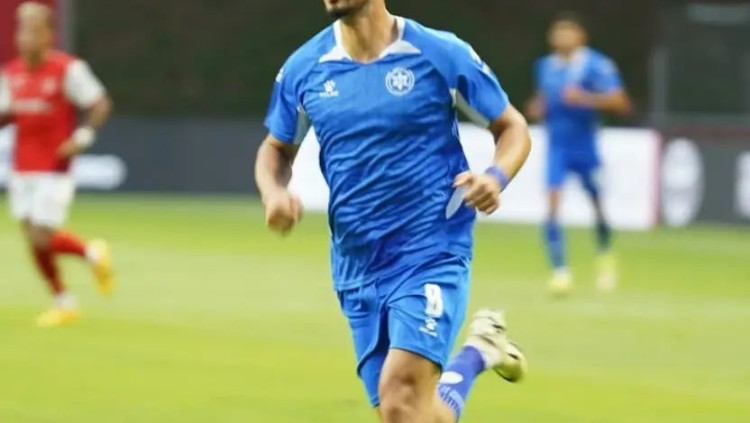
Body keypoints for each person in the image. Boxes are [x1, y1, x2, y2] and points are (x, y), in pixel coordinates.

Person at [255, 1, 532, 422]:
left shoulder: (439, 53)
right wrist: (274, 192)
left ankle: (476, 351)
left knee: (400, 395)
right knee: (406, 412)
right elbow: (276, 148)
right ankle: (478, 352)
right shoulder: (304, 68)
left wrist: (495, 177)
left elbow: (512, 127)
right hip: (357, 265)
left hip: (430, 250)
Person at [0, 2, 115, 327]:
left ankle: (92, 252)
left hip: (54, 167)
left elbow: (100, 104)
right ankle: (64, 301)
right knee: (34, 239)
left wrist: (82, 138)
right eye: (23, 31)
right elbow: (7, 115)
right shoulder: (11, 74)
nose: (26, 38)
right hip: (22, 167)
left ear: (49, 35)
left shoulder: (68, 69)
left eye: (34, 31)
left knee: (41, 236)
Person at [525, 12, 631, 295]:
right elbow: (544, 98)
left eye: (567, 32)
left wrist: (585, 98)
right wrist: (538, 107)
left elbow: (621, 102)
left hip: (586, 148)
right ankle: (560, 271)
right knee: (552, 206)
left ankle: (605, 255)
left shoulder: (596, 65)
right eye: (557, 32)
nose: (561, 37)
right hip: (557, 148)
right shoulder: (545, 66)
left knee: (597, 205)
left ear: (580, 37)